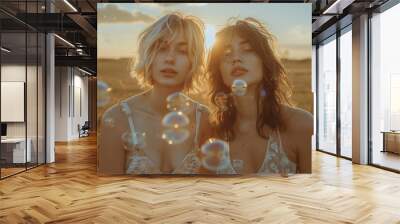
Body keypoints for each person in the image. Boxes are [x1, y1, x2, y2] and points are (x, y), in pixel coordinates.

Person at [98, 12, 210, 175]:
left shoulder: (205, 120)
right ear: (148, 54)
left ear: (194, 61)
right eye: (162, 49)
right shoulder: (118, 118)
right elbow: (110, 190)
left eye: (183, 51)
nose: (170, 58)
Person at [206, 18, 313, 175]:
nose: (236, 58)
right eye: (226, 53)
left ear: (265, 61)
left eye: (247, 49)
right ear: (219, 71)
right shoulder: (212, 133)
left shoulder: (301, 125)